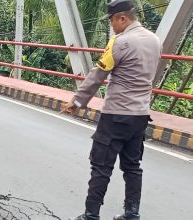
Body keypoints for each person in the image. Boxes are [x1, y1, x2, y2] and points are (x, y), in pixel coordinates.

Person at [61, 0, 161, 219]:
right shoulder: (155, 40)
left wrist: (77, 102)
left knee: (101, 166)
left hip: (116, 115)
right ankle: (131, 213)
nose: (112, 26)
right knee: (132, 167)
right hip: (140, 116)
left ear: (122, 18)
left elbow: (98, 74)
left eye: (113, 21)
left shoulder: (120, 42)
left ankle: (91, 214)